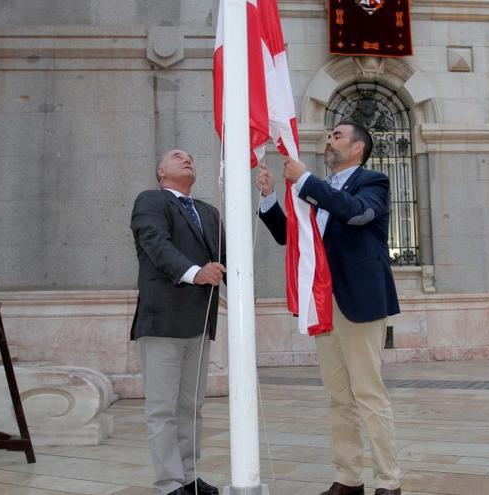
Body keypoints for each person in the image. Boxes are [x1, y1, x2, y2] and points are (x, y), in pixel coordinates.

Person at [255, 121, 402, 495]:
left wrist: (305, 180)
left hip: (359, 301)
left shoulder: (373, 183)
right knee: (338, 396)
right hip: (322, 302)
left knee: (368, 393)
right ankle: (348, 478)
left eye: (337, 136)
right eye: (330, 135)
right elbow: (292, 237)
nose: (329, 141)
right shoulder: (317, 189)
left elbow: (356, 214)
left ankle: (389, 482)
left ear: (358, 148)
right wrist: (270, 198)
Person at [130, 149, 225, 495]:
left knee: (191, 407)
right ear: (161, 171)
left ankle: (189, 476)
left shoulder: (209, 213)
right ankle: (169, 484)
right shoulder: (151, 202)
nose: (187, 160)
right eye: (176, 157)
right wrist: (197, 272)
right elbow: (156, 244)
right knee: (162, 408)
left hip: (199, 324)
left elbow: (231, 258)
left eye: (190, 158)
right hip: (162, 321)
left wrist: (265, 201)